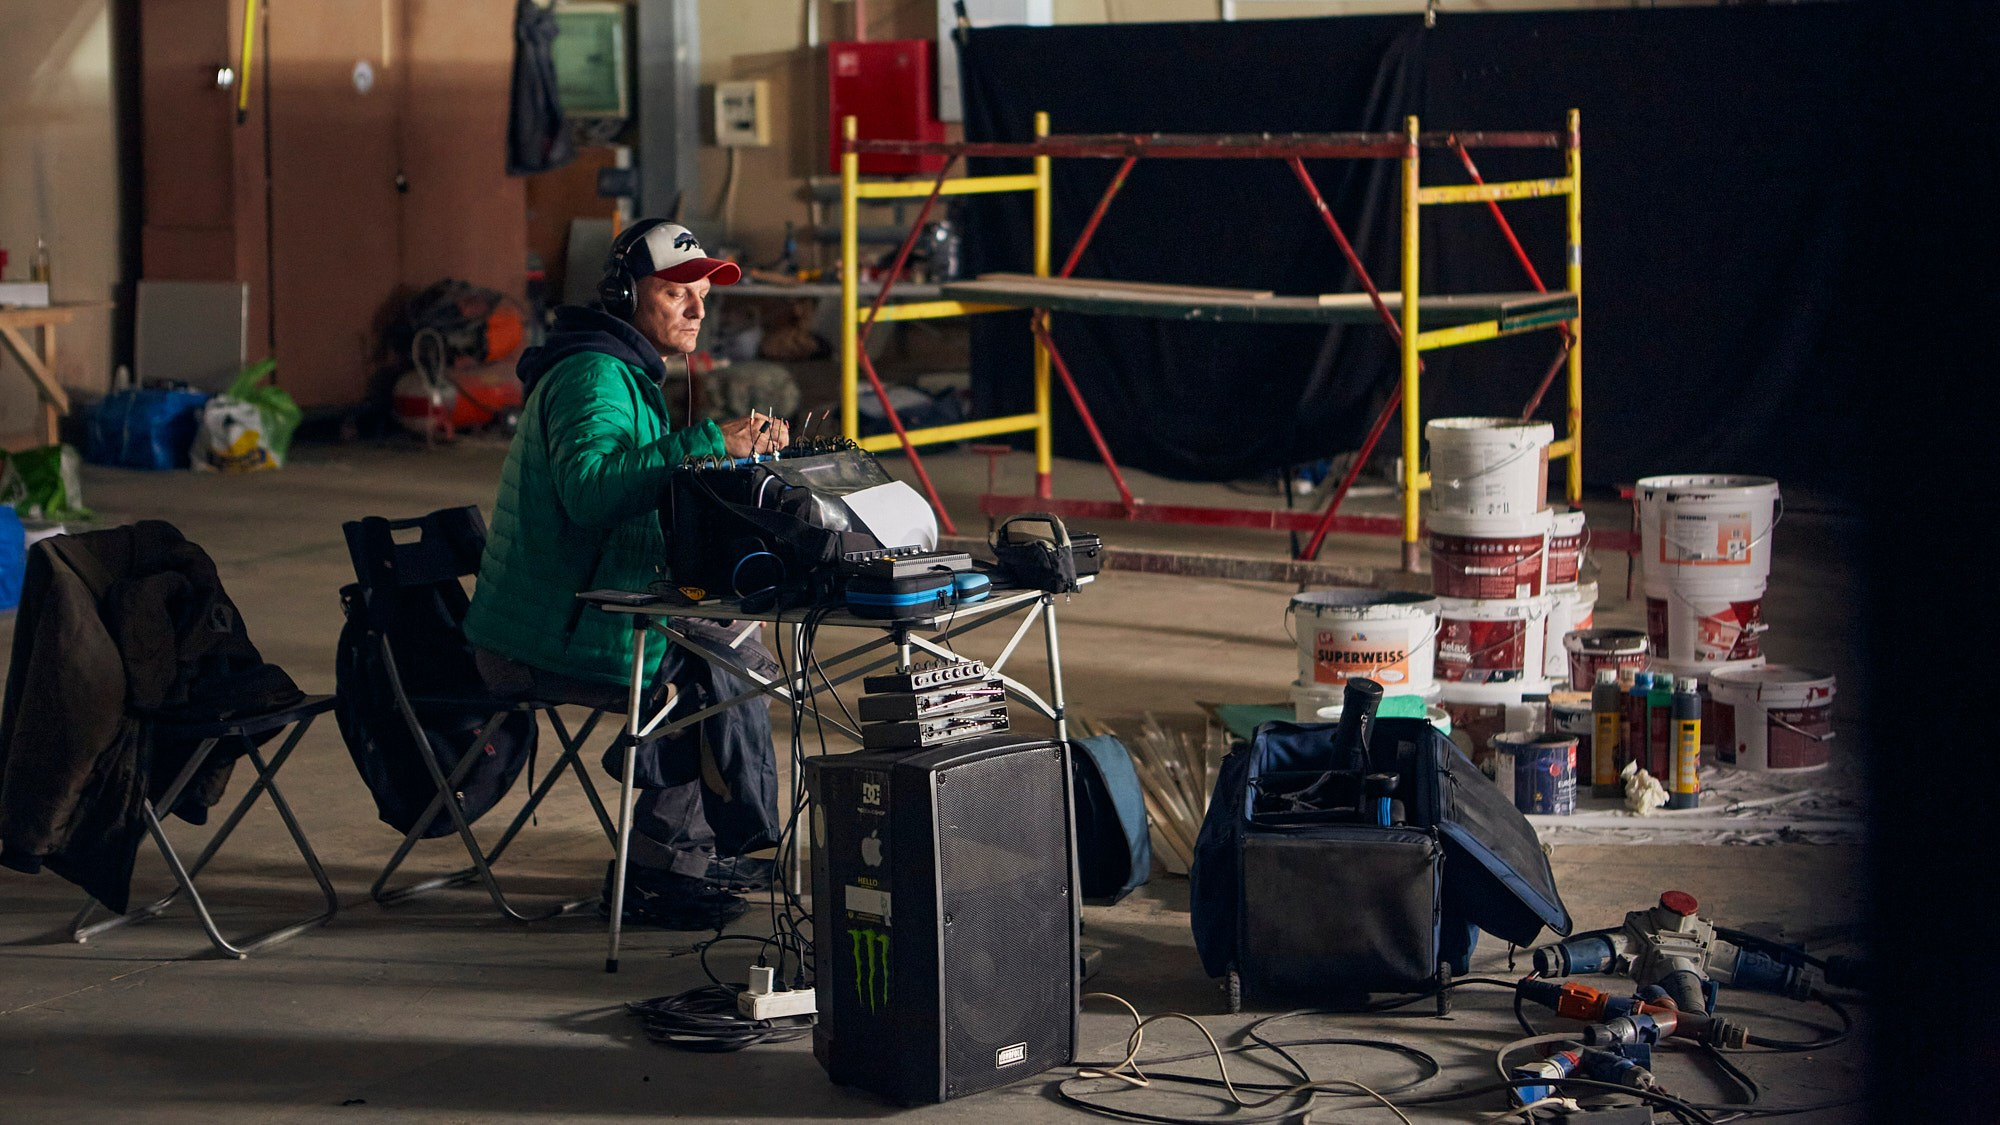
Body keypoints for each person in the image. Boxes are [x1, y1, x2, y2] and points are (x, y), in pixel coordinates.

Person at [464, 219, 789, 930]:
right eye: (679, 293)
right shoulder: (592, 375)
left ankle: (695, 845)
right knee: (718, 668)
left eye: (703, 295)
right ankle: (668, 863)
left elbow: (637, 494)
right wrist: (707, 442)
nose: (700, 310)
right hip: (547, 637)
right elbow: (591, 489)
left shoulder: (621, 371)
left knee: (733, 646)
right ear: (625, 294)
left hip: (580, 617)